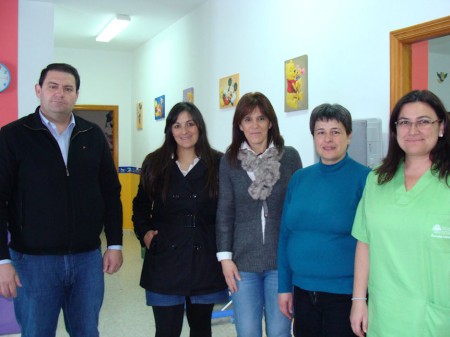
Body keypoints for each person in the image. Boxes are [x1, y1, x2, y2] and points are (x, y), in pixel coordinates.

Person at [0, 63, 123, 337]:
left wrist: (114, 243)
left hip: (86, 260)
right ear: (38, 90)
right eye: (52, 86)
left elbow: (110, 192)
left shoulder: (92, 136)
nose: (60, 94)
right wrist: (2, 261)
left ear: (76, 94)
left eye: (68, 88)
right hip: (33, 262)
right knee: (37, 332)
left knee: (86, 331)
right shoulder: (12, 137)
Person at [350, 90, 450, 337]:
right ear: (396, 130)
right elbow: (365, 243)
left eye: (424, 121)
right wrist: (358, 300)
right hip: (385, 314)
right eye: (404, 122)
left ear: (441, 127)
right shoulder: (376, 180)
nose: (413, 130)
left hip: (435, 317)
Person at [132, 102, 228, 337]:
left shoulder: (219, 163)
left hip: (204, 258)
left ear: (199, 127)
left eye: (190, 124)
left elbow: (229, 209)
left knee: (201, 329)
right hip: (165, 258)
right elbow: (140, 205)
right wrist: (145, 233)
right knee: (166, 331)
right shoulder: (154, 162)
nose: (184, 131)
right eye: (177, 125)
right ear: (170, 130)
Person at [278, 103, 370, 336]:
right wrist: (284, 287)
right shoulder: (299, 179)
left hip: (344, 295)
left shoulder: (366, 180)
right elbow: (285, 236)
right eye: (321, 132)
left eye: (336, 132)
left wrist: (361, 298)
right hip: (302, 292)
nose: (328, 139)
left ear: (349, 136)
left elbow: (371, 242)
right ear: (314, 137)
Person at [216, 92, 302, 337]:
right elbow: (225, 211)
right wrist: (225, 259)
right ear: (240, 125)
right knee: (247, 331)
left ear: (271, 122)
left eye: (261, 118)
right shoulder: (230, 160)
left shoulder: (290, 157)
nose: (255, 126)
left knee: (279, 332)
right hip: (243, 263)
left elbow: (298, 209)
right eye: (248, 119)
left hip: (280, 262)